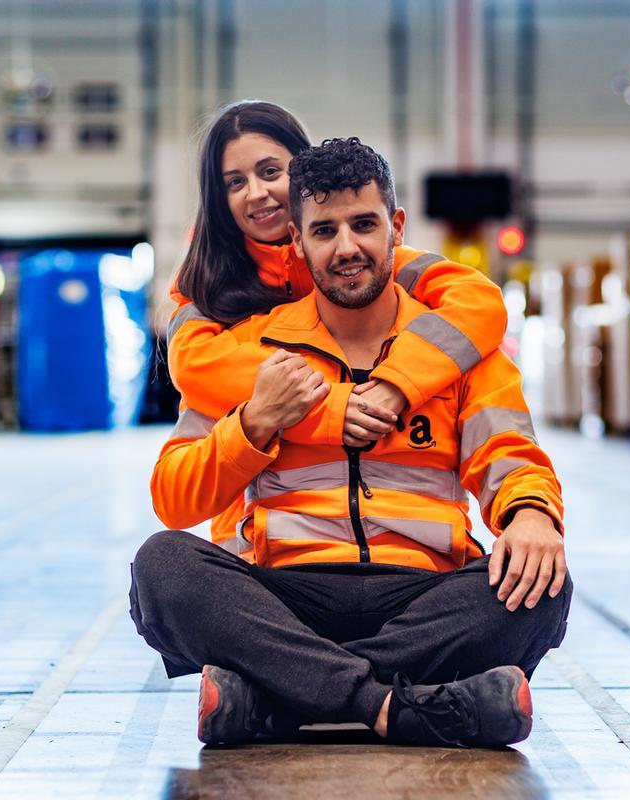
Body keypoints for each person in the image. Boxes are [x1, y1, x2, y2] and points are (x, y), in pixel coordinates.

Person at [132, 137, 572, 749]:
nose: (346, 249)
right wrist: (254, 423)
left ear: (395, 226)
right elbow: (173, 498)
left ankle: (281, 697)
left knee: (542, 579)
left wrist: (530, 515)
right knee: (164, 566)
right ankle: (401, 706)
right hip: (288, 596)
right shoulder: (253, 355)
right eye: (324, 231)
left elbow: (509, 453)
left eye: (364, 225)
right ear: (297, 240)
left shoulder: (453, 347)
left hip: (424, 589)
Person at [165, 101, 509, 549]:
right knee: (168, 561)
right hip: (261, 543)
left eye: (270, 172)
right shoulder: (205, 289)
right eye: (234, 182)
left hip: (405, 557)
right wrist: (330, 407)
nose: (255, 193)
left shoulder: (375, 263)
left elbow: (481, 303)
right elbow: (196, 366)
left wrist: (397, 384)